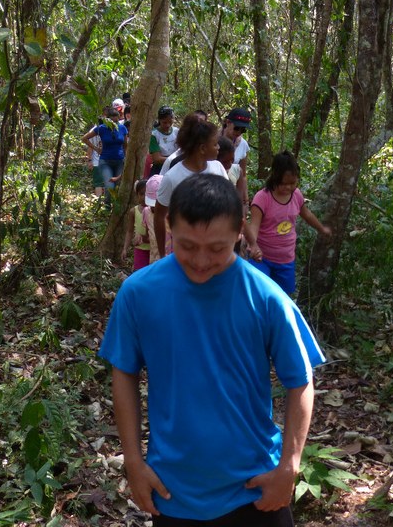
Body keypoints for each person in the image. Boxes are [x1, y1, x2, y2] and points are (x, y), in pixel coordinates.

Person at [99, 174, 325, 526]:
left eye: (217, 248)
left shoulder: (266, 297)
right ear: (169, 226)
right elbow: (124, 372)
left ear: (239, 234)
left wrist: (289, 465)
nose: (201, 261)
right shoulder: (138, 294)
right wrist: (133, 461)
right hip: (173, 493)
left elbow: (300, 380)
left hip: (255, 488)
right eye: (187, 246)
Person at [245, 151, 331, 295]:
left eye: (292, 183)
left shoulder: (296, 195)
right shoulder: (262, 198)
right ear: (275, 177)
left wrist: (321, 229)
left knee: (283, 297)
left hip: (285, 260)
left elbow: (306, 214)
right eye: (284, 184)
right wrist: (253, 245)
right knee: (259, 294)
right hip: (262, 258)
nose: (288, 188)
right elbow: (254, 225)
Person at [153, 114, 227, 257]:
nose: (218, 147)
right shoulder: (172, 177)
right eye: (215, 144)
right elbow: (159, 216)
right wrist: (163, 254)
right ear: (202, 148)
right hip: (185, 252)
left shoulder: (218, 168)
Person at [82, 107, 129, 208]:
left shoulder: (122, 128)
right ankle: (107, 206)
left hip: (119, 161)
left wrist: (126, 157)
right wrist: (96, 149)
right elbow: (84, 138)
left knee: (117, 185)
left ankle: (115, 208)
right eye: (112, 122)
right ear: (107, 120)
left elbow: (125, 144)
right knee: (109, 184)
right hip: (105, 161)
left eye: (116, 121)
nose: (114, 124)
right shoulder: (101, 128)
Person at [224, 108, 251, 205]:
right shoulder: (214, 140)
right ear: (228, 122)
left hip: (232, 193)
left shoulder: (243, 145)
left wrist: (245, 200)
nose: (239, 132)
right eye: (237, 128)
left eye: (243, 130)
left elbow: (243, 175)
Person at [121, 180, 151, 271]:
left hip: (153, 248)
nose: (144, 197)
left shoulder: (155, 211)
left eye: (147, 194)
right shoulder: (133, 211)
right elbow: (130, 231)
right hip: (140, 248)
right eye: (141, 194)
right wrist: (125, 248)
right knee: (139, 272)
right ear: (137, 195)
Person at [149, 106, 179, 175]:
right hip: (160, 169)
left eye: (170, 122)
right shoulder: (154, 135)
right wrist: (176, 159)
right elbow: (157, 159)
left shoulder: (177, 131)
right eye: (164, 122)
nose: (168, 125)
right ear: (159, 120)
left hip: (175, 168)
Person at [143, 174, 165, 262]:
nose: (153, 207)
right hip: (154, 258)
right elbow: (148, 234)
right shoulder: (147, 212)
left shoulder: (173, 214)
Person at [85, 118, 104, 197]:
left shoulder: (93, 131)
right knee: (100, 183)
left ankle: (101, 202)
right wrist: (89, 160)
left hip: (102, 161)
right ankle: (101, 201)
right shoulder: (94, 131)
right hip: (99, 161)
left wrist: (89, 160)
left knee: (100, 183)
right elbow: (90, 147)